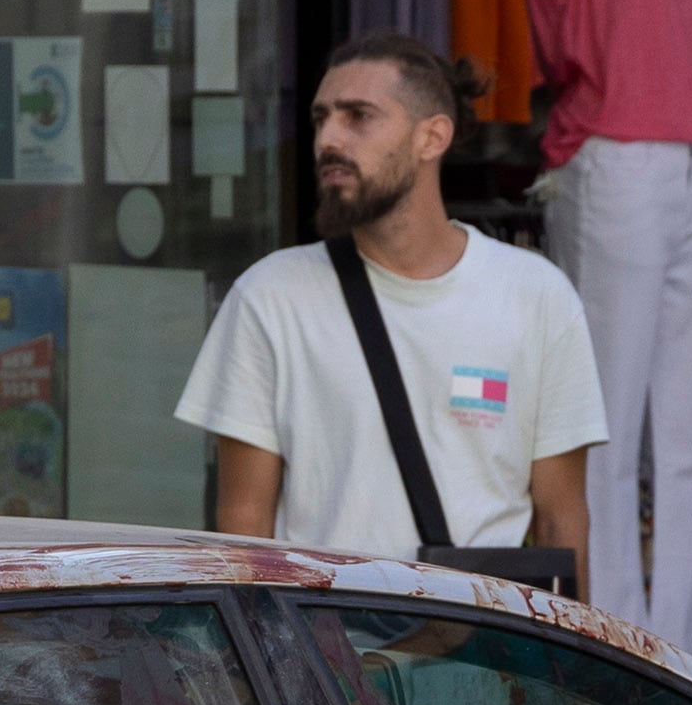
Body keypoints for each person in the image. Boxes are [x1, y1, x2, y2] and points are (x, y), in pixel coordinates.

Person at [177, 32, 606, 596]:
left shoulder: (538, 297)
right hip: (323, 653)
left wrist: (567, 672)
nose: (328, 139)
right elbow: (244, 526)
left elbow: (563, 521)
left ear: (432, 137)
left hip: (480, 657)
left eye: (358, 116)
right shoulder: (269, 296)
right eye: (320, 118)